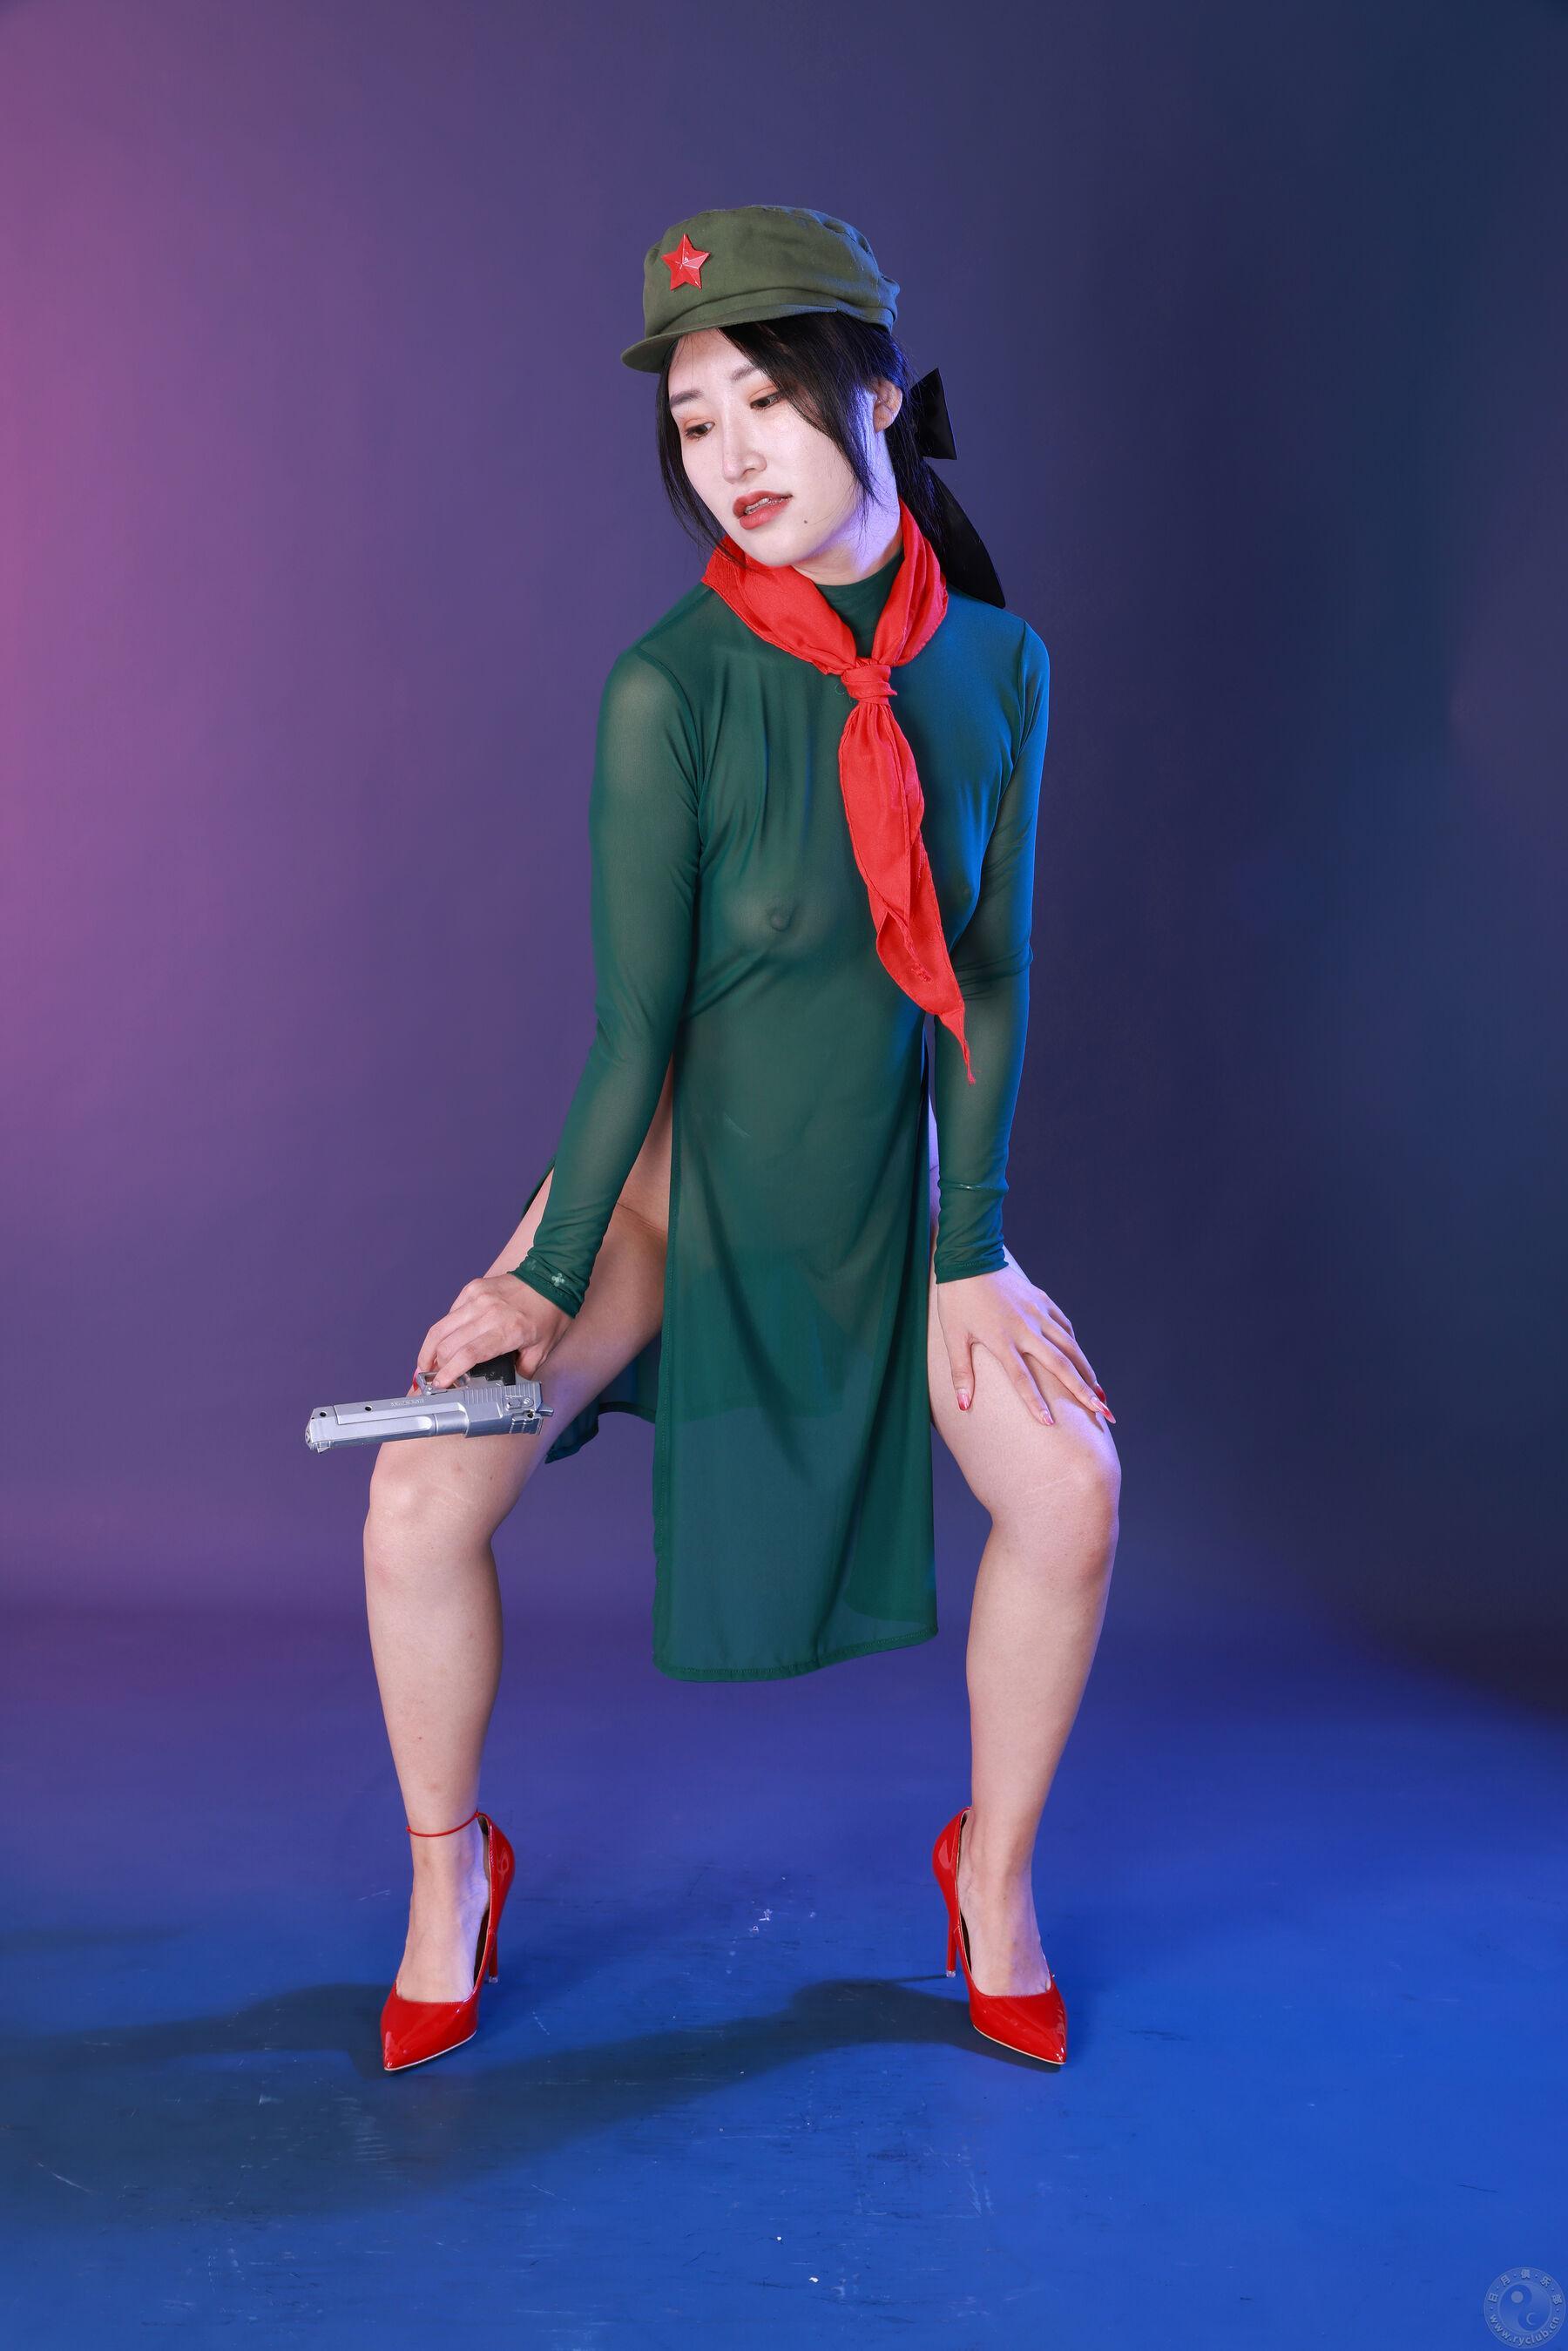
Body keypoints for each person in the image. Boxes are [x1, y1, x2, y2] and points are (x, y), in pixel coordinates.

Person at [364, 206, 1120, 2073]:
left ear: (878, 395)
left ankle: (993, 1879)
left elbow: (991, 973)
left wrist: (974, 1245)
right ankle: (450, 1880)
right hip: (660, 1191)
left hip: (885, 1195)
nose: (731, 458)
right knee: (420, 1498)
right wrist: (540, 1276)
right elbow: (635, 1028)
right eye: (694, 424)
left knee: (1073, 1490)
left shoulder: (1003, 669)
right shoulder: (668, 688)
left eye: (766, 404)